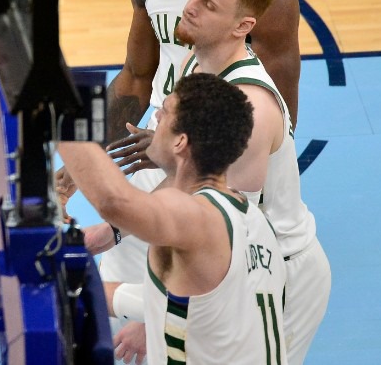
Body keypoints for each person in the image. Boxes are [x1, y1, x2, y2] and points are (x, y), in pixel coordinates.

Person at [92, 0, 302, 349]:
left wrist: (214, 176)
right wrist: (95, 144)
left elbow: (279, 109)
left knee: (181, 327)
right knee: (117, 328)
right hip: (157, 155)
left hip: (214, 171)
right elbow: (135, 75)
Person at [93, 0, 329, 365]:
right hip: (237, 255)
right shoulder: (195, 59)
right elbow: (194, 183)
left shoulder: (252, 108)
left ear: (243, 26)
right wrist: (110, 232)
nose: (190, 6)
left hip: (274, 269)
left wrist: (157, 319)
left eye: (209, 5)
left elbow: (224, 236)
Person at [59, 72, 287, 365]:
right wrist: (76, 285)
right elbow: (188, 302)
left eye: (164, 112)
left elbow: (114, 202)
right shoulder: (252, 219)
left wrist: (63, 112)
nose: (155, 116)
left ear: (180, 142)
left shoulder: (196, 216)